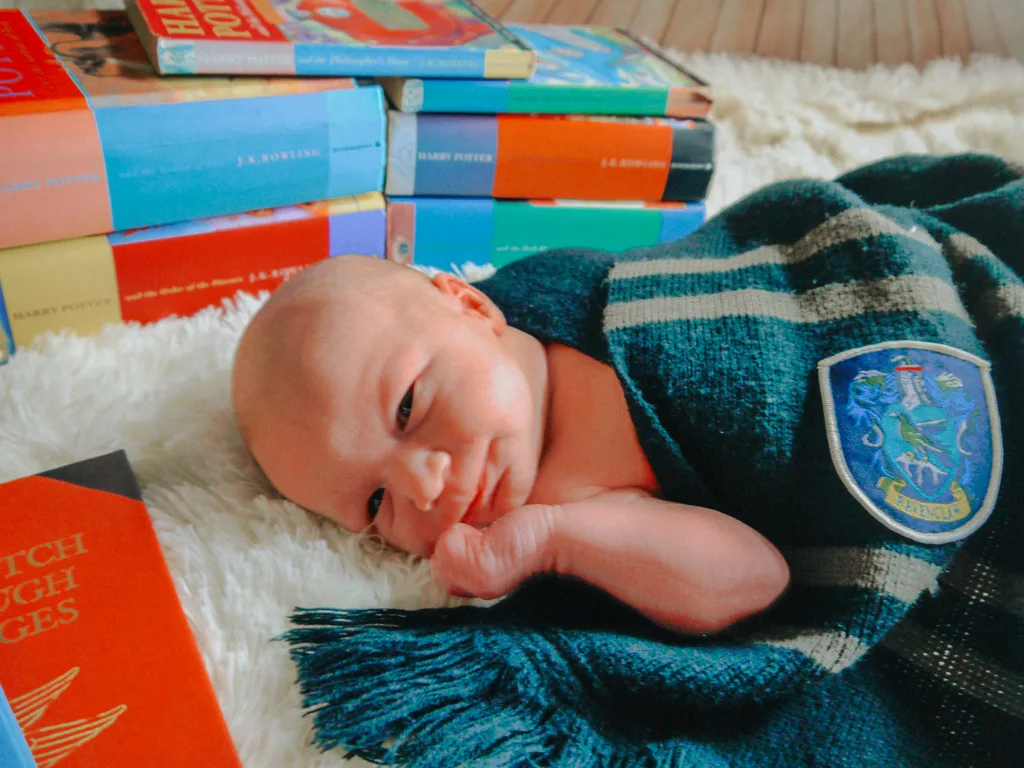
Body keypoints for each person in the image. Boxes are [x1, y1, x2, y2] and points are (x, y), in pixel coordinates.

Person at [231, 253, 792, 636]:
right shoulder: (568, 507)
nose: (424, 487)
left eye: (407, 408)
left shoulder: (550, 293)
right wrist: (553, 541)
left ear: (474, 306)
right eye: (377, 503)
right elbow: (755, 577)